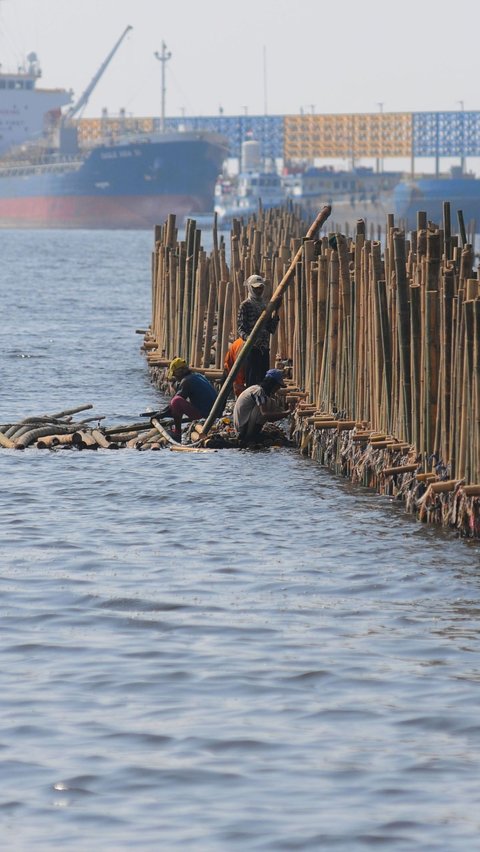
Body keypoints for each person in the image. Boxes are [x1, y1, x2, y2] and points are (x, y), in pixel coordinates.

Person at [237, 274, 280, 387]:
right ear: (250, 288)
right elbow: (240, 329)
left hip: (264, 349)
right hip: (251, 349)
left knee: (262, 381)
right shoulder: (245, 305)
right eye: (256, 288)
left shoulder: (265, 306)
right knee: (252, 381)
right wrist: (249, 339)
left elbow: (271, 329)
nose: (259, 290)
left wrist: (276, 311)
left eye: (260, 288)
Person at [165, 357, 218, 442]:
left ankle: (177, 432)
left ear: (180, 371)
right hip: (214, 413)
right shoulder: (197, 375)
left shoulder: (186, 381)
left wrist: (161, 414)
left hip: (205, 415)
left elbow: (175, 403)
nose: (175, 376)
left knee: (176, 401)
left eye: (175, 374)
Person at [233, 368, 288, 447]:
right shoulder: (259, 391)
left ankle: (253, 434)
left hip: (243, 426)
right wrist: (286, 413)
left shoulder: (256, 388)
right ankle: (251, 436)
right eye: (278, 386)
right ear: (272, 384)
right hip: (242, 430)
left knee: (271, 402)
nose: (278, 389)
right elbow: (265, 414)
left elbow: (271, 419)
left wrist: (284, 413)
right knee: (267, 403)